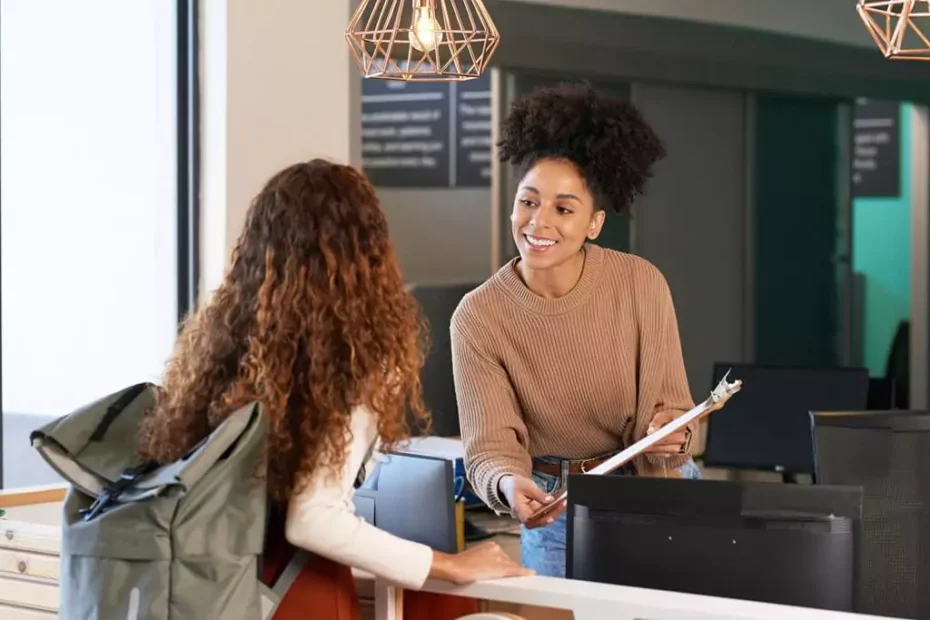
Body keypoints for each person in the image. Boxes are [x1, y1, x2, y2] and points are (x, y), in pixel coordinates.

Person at [138, 159, 531, 619]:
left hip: (220, 587)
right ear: (367, 249)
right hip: (296, 593)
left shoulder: (228, 342)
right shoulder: (351, 355)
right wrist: (447, 564)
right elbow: (314, 520)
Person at [451, 83, 702, 579]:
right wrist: (506, 485)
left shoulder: (639, 284)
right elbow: (490, 450)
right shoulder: (479, 317)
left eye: (563, 208)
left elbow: (677, 411)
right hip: (555, 510)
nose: (538, 222)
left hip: (657, 496)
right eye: (528, 201)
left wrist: (672, 433)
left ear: (594, 223)